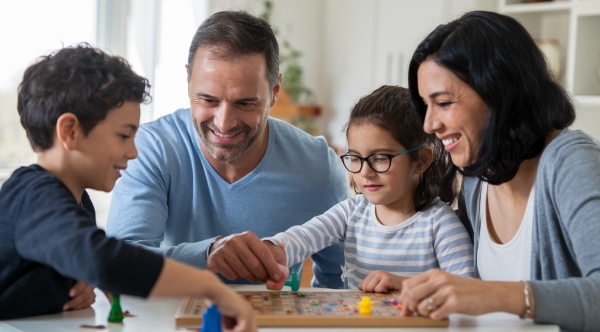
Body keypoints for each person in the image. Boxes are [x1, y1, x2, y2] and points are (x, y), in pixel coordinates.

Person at [0, 44, 255, 331]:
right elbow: (103, 259)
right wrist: (211, 286)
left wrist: (74, 284)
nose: (133, 152)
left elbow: (81, 266)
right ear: (70, 131)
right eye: (123, 136)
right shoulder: (33, 196)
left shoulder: (74, 201)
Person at [105, 11, 349, 288]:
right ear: (188, 82)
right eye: (208, 99)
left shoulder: (319, 168)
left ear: (274, 91)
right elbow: (119, 264)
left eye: (245, 103)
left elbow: (342, 285)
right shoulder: (151, 149)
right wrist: (206, 254)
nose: (224, 123)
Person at [398, 10, 600, 332]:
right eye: (426, 105)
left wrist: (497, 294)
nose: (429, 124)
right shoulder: (477, 181)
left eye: (444, 103)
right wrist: (419, 288)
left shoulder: (570, 162)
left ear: (499, 91)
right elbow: (475, 295)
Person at [261, 85, 474, 291]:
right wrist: (272, 251)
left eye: (380, 158)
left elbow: (465, 290)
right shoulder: (351, 212)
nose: (365, 172)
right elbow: (304, 237)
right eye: (355, 158)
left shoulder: (441, 225)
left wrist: (404, 284)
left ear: (421, 160)